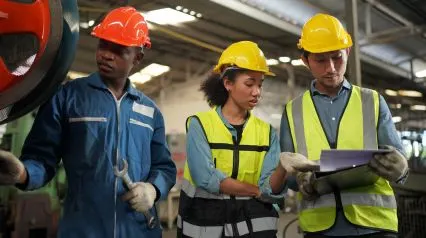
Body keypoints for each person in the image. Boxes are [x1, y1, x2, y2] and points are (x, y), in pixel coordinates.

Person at [0, 6, 176, 238]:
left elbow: (164, 167)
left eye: (119, 49)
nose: (106, 54)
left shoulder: (150, 111)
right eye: (103, 44)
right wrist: (23, 173)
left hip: (139, 230)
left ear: (138, 58)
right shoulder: (67, 98)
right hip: (83, 230)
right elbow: (42, 158)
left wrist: (153, 190)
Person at [280, 13, 409, 238]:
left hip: (374, 226)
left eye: (337, 57)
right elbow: (288, 174)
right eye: (320, 60)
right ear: (305, 60)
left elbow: (397, 162)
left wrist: (402, 169)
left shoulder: (373, 101)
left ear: (348, 52)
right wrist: (299, 181)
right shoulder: (293, 111)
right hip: (320, 228)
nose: (331, 68)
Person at [177, 41, 318, 238]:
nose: (257, 92)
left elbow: (271, 189)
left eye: (260, 84)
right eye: (249, 84)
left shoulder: (266, 132)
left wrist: (282, 168)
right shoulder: (199, 125)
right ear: (228, 83)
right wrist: (256, 191)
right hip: (205, 228)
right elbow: (206, 177)